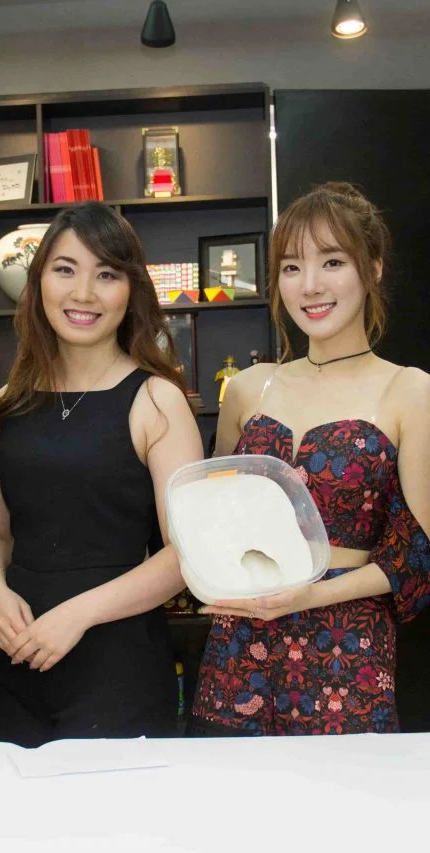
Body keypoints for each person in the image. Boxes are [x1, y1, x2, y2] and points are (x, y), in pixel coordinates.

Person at [191, 182, 430, 736]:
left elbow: (417, 552)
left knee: (341, 790)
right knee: (226, 787)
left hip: (347, 652)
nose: (311, 285)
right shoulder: (249, 388)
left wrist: (311, 595)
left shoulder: (410, 391)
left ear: (372, 269)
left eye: (332, 262)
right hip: (239, 645)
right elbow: (213, 518)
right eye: (292, 267)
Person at [0, 202, 203, 746]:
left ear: (131, 291)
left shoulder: (156, 400)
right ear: (38, 283)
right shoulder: (9, 400)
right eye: (65, 269)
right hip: (19, 656)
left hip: (118, 664)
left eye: (107, 275)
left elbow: (186, 554)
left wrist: (76, 616)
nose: (83, 293)